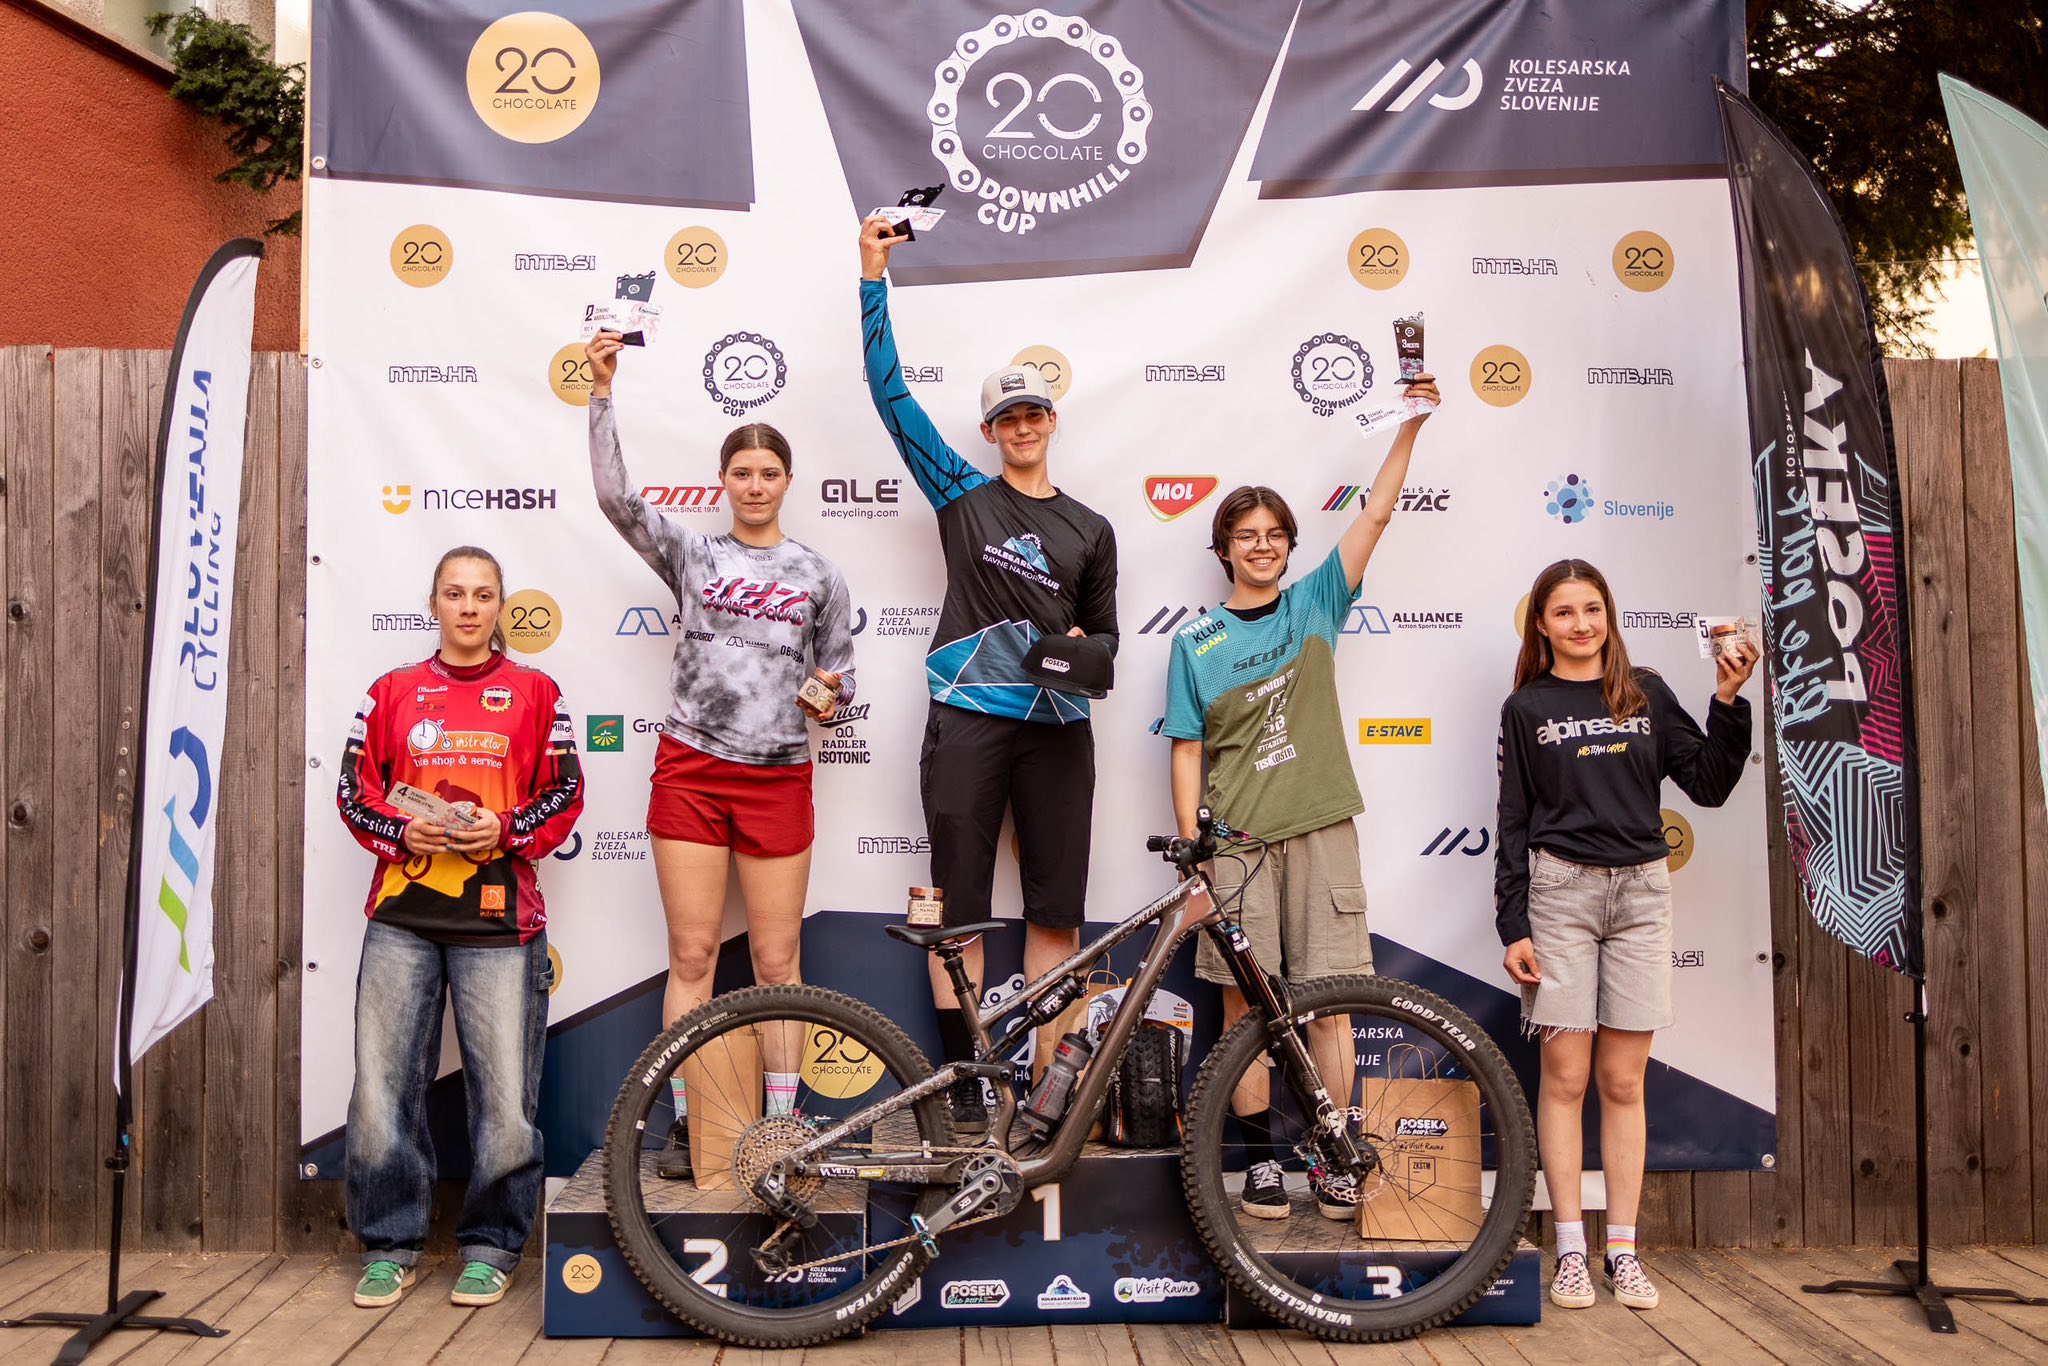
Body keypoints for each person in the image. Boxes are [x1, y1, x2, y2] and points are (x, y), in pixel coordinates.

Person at [857, 217, 1120, 1133]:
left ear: (1052, 421)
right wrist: (872, 278)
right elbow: (890, 396)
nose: (1022, 427)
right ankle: (968, 1081)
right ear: (989, 431)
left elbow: (1107, 645)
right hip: (968, 719)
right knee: (960, 914)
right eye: (1007, 418)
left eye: (1034, 413)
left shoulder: (1092, 528)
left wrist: (1083, 649)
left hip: (1058, 730)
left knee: (1057, 917)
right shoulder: (963, 495)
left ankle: (1049, 1091)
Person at [1160, 376, 1441, 1222]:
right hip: (1238, 842)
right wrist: (1195, 854)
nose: (1262, 547)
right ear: (1223, 549)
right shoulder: (1195, 640)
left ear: (1289, 547)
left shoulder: (1317, 602)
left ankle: (1332, 1157)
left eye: (1275, 535)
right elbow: (1186, 748)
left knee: (1331, 1001)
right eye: (1246, 536)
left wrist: (1410, 428)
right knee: (1245, 1006)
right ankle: (1259, 1164)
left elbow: (1375, 516)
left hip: (1321, 830)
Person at [584, 329, 857, 1177]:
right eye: (741, 472)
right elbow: (616, 499)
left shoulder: (819, 574)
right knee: (694, 957)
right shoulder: (694, 553)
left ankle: (781, 1127)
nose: (755, 484)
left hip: (778, 777)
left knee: (777, 963)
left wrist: (829, 693)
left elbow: (841, 677)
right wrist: (601, 392)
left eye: (768, 472)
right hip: (692, 770)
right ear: (723, 481)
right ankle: (685, 1122)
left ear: (786, 482)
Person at [1494, 559, 1756, 1312]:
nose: (1581, 624)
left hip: (1642, 896)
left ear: (1609, 614)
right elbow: (1512, 821)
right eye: (1564, 612)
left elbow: (1709, 785)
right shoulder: (1526, 707)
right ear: (1541, 626)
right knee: (1566, 1079)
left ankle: (1624, 1252)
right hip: (1560, 899)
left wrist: (1727, 700)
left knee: (1622, 1081)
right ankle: (1571, 1252)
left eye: (1592, 608)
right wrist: (1514, 924)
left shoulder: (1645, 692)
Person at [336, 545, 584, 1309]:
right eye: (455, 593)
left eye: (482, 594)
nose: (469, 607)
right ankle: (390, 1244)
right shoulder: (392, 691)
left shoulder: (537, 691)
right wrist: (401, 832)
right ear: (434, 604)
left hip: (500, 922)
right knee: (381, 1093)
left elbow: (566, 792)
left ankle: (491, 1246)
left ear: (500, 605)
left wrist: (505, 829)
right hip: (402, 920)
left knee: (505, 1101)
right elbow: (352, 791)